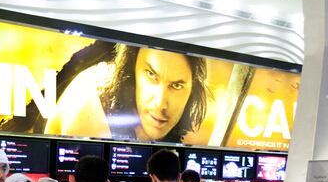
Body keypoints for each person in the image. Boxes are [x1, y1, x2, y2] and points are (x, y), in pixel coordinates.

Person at [44, 44, 208, 143]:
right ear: (132, 69)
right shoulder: (91, 100)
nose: (160, 103)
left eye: (176, 85)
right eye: (151, 75)